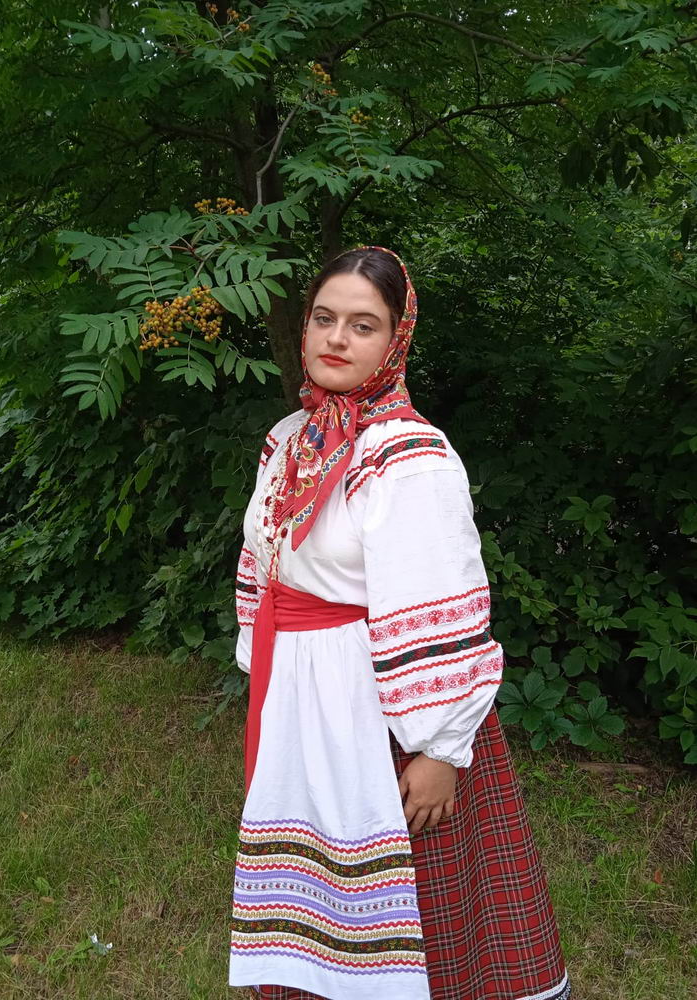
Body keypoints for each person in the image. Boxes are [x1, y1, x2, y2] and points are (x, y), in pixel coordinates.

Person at [228, 245, 571, 1000]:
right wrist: (267, 672)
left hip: (378, 703)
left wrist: (440, 747)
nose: (336, 338)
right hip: (302, 695)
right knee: (316, 873)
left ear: (396, 339)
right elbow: (263, 562)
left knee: (411, 890)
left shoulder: (410, 457)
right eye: (323, 318)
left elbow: (440, 596)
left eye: (363, 325)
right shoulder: (289, 438)